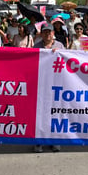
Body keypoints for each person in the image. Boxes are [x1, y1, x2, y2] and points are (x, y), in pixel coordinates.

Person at [33, 22, 63, 153]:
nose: (47, 34)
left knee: (55, 113)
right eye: (45, 32)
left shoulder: (60, 45)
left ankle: (54, 140)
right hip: (41, 84)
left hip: (56, 84)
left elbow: (67, 62)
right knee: (40, 113)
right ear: (42, 33)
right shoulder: (37, 46)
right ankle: (39, 141)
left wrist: (59, 53)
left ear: (53, 33)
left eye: (49, 32)